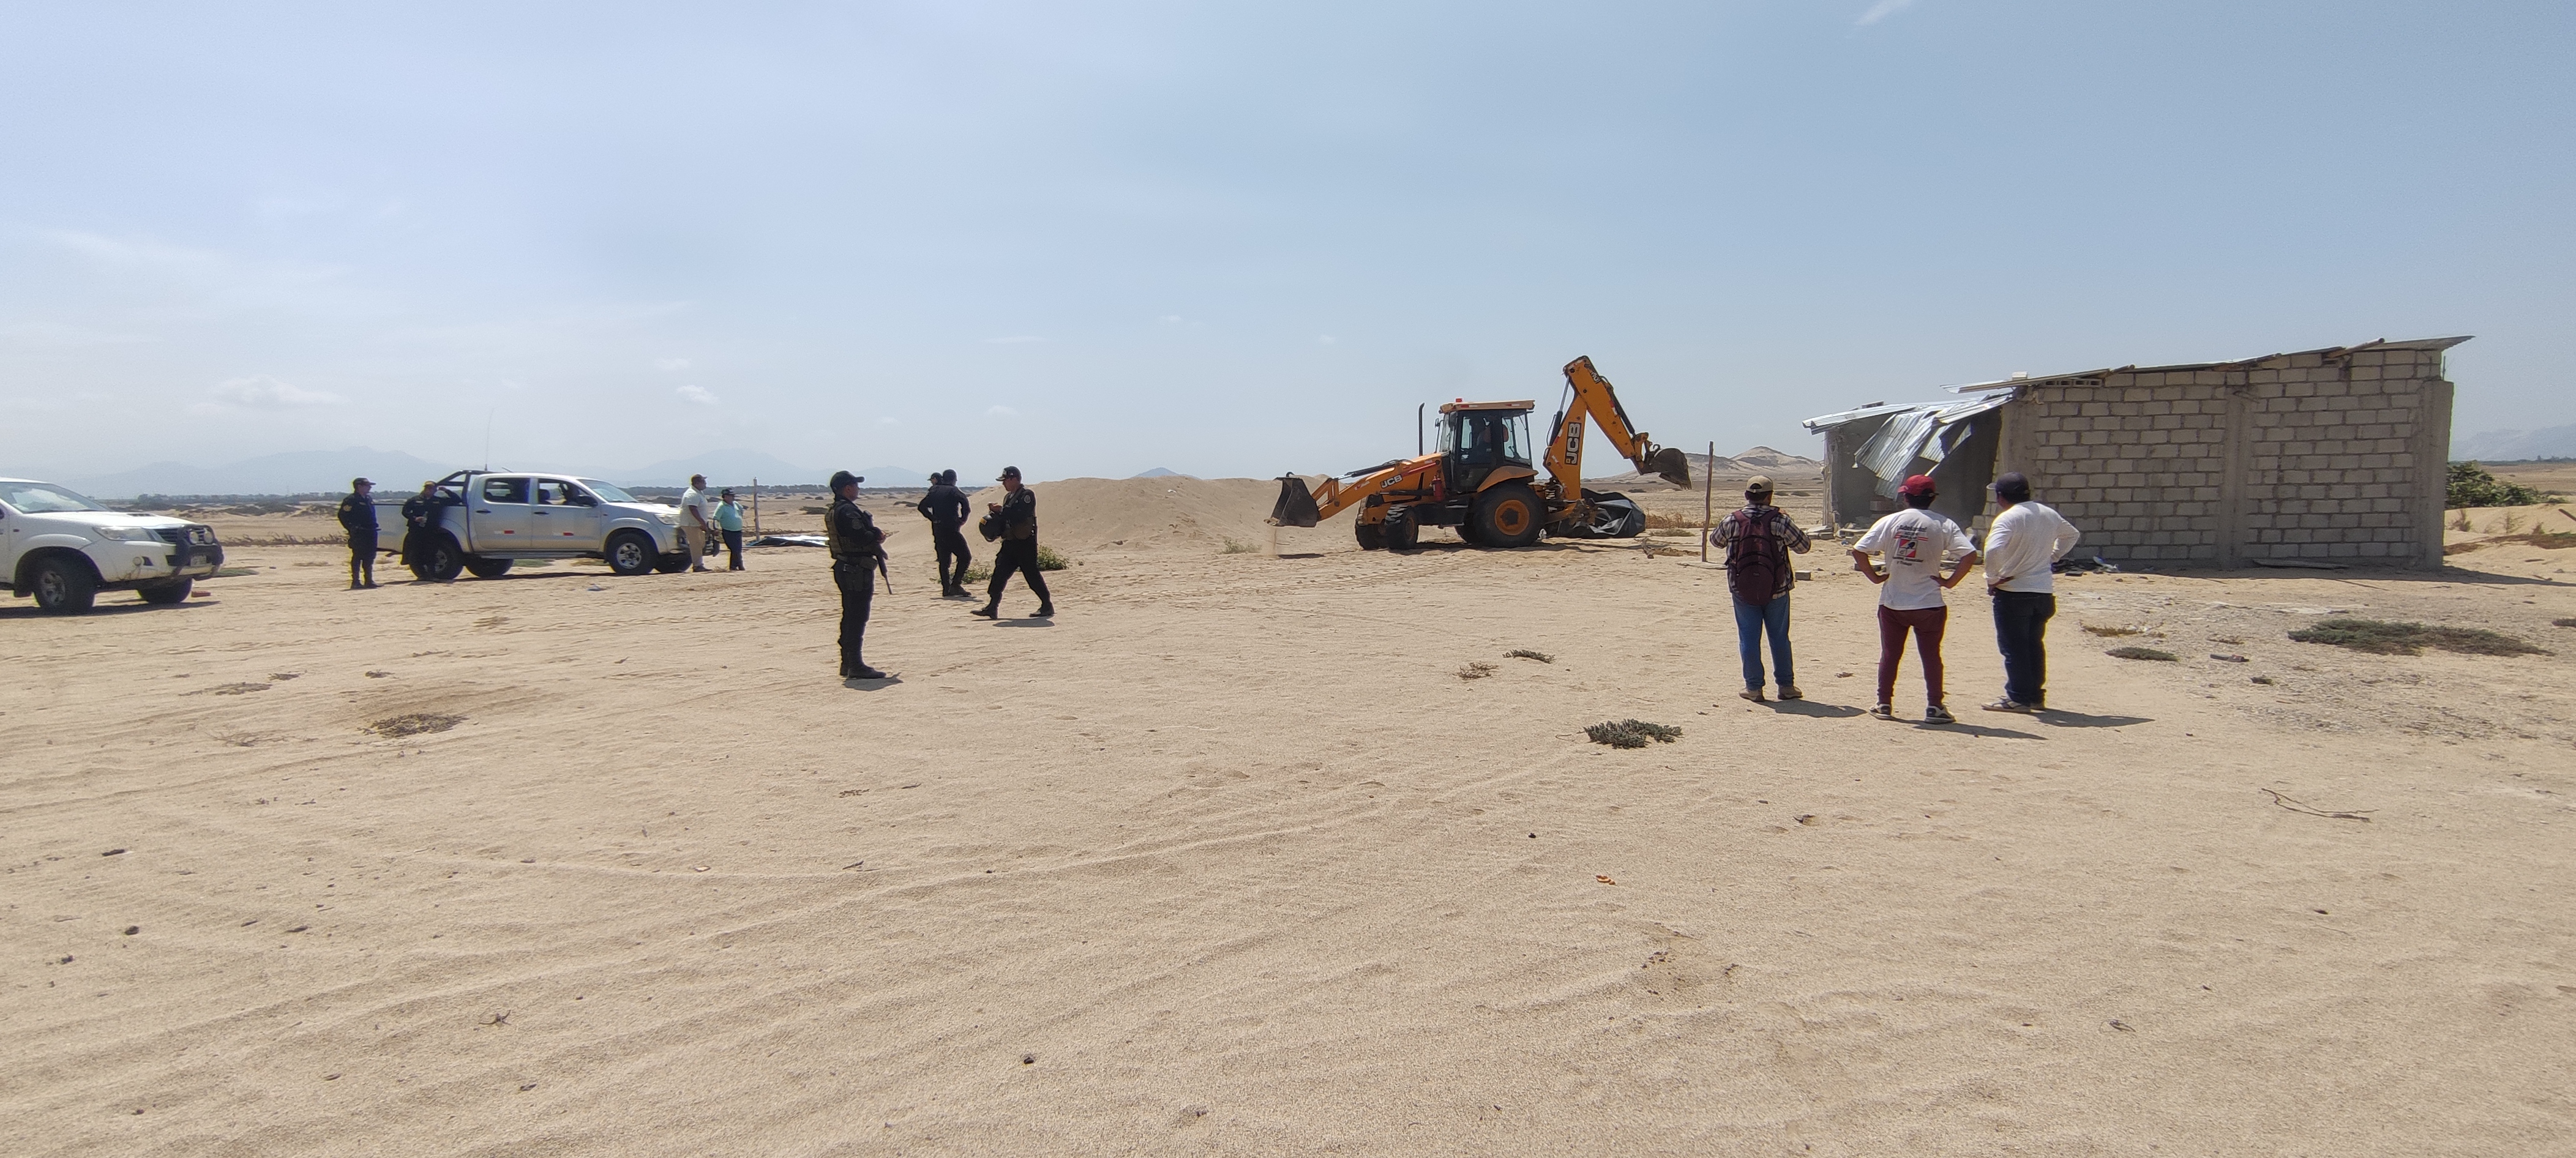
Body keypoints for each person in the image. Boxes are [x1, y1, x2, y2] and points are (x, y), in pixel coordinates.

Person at [1850, 474, 1979, 723]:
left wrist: (1874, 577)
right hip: (1929, 602)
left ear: (1906, 497)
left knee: (1890, 654)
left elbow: (1859, 550)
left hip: (1893, 601)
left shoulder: (1891, 521)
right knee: (1931, 656)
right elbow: (1969, 554)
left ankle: (1884, 703)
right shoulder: (1943, 524)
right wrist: (1950, 582)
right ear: (1932, 499)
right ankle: (1935, 707)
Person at [1980, 472, 2083, 713]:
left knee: (2014, 648)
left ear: (2001, 497)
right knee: (2033, 645)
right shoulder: (2047, 513)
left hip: (2014, 591)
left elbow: (1993, 549)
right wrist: (2053, 556)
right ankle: (2036, 696)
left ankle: (2018, 698)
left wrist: (1992, 578)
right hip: (2043, 592)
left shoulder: (2008, 519)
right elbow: (2072, 534)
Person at [1712, 475, 1812, 702]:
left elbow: (1715, 542)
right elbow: (1804, 546)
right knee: (1779, 638)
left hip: (1741, 588)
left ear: (1747, 495)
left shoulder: (1732, 519)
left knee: (1748, 638)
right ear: (1770, 496)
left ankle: (1754, 688)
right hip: (1778, 587)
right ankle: (1786, 687)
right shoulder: (1780, 519)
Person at [823, 470, 891, 679]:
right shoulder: (848, 512)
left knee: (850, 616)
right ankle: (855, 665)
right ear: (847, 488)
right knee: (857, 617)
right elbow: (860, 537)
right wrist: (876, 535)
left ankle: (848, 663)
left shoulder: (836, 510)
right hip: (855, 570)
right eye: (855, 485)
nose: (858, 489)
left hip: (847, 568)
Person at [972, 466, 1052, 619]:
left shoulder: (1027, 495)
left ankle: (1046, 605)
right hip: (1010, 542)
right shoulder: (1008, 497)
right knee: (999, 574)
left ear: (1014, 479)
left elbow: (1020, 515)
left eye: (1006, 481)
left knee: (1032, 576)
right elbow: (1005, 519)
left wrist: (1001, 510)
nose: (1004, 484)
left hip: (1025, 543)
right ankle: (992, 607)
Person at [916, 469, 973, 598]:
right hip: (951, 529)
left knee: (944, 561)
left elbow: (922, 507)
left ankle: (946, 589)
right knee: (965, 557)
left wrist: (933, 519)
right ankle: (955, 585)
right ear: (953, 480)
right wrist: (962, 519)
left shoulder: (935, 490)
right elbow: (965, 504)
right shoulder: (954, 490)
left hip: (938, 531)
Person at [337, 477, 380, 590]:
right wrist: (351, 528)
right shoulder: (351, 500)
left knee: (370, 557)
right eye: (367, 485)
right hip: (359, 533)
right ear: (359, 486)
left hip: (371, 532)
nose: (369, 487)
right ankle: (356, 581)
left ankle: (369, 580)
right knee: (358, 556)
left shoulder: (368, 499)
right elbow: (343, 515)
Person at [399, 480, 440, 575]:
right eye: (427, 488)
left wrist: (446, 491)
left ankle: (432, 574)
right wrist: (415, 518)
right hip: (417, 530)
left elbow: (456, 499)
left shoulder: (438, 501)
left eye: (431, 488)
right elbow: (405, 511)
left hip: (431, 529)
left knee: (431, 552)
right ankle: (421, 574)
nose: (429, 490)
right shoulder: (415, 500)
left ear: (435, 490)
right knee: (416, 552)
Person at [678, 474, 713, 572]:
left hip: (697, 524)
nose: (705, 484)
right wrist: (702, 522)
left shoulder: (698, 493)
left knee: (700, 544)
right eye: (703, 482)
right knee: (696, 545)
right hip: (691, 524)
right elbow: (693, 509)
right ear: (697, 483)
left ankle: (698, 563)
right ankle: (697, 566)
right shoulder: (692, 494)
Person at [715, 488, 746, 571]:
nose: (733, 497)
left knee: (738, 549)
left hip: (738, 530)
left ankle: (739, 565)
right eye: (731, 496)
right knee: (734, 549)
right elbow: (716, 518)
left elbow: (741, 510)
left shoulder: (736, 504)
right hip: (728, 531)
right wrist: (716, 529)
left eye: (733, 496)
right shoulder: (721, 506)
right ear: (725, 497)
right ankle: (734, 566)